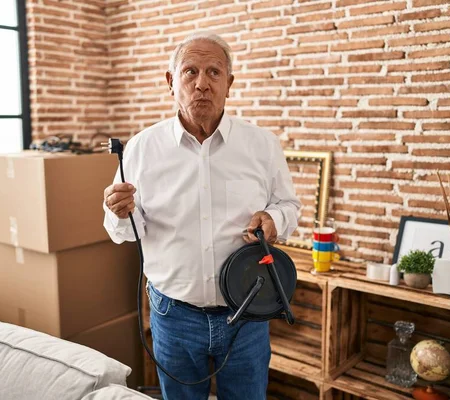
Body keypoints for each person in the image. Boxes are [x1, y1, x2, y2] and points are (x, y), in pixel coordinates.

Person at [102, 32, 300, 400]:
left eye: (214, 72)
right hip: (172, 314)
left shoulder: (262, 145)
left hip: (246, 312)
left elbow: (289, 206)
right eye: (190, 71)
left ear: (230, 83)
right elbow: (125, 232)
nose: (202, 83)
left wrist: (274, 221)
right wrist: (117, 212)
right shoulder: (142, 148)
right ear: (171, 81)